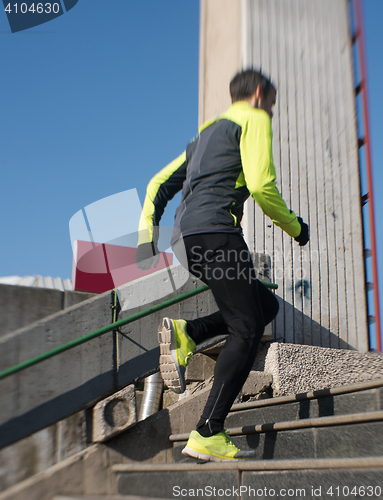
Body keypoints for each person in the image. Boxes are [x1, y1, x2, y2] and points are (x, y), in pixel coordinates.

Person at [135, 69, 309, 462]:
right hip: (217, 234)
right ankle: (208, 430)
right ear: (260, 94)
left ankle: (189, 333)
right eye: (273, 104)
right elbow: (263, 186)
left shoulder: (203, 137)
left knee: (264, 307)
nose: (272, 112)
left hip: (187, 241)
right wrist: (296, 228)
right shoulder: (254, 118)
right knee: (247, 328)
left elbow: (157, 185)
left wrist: (147, 235)